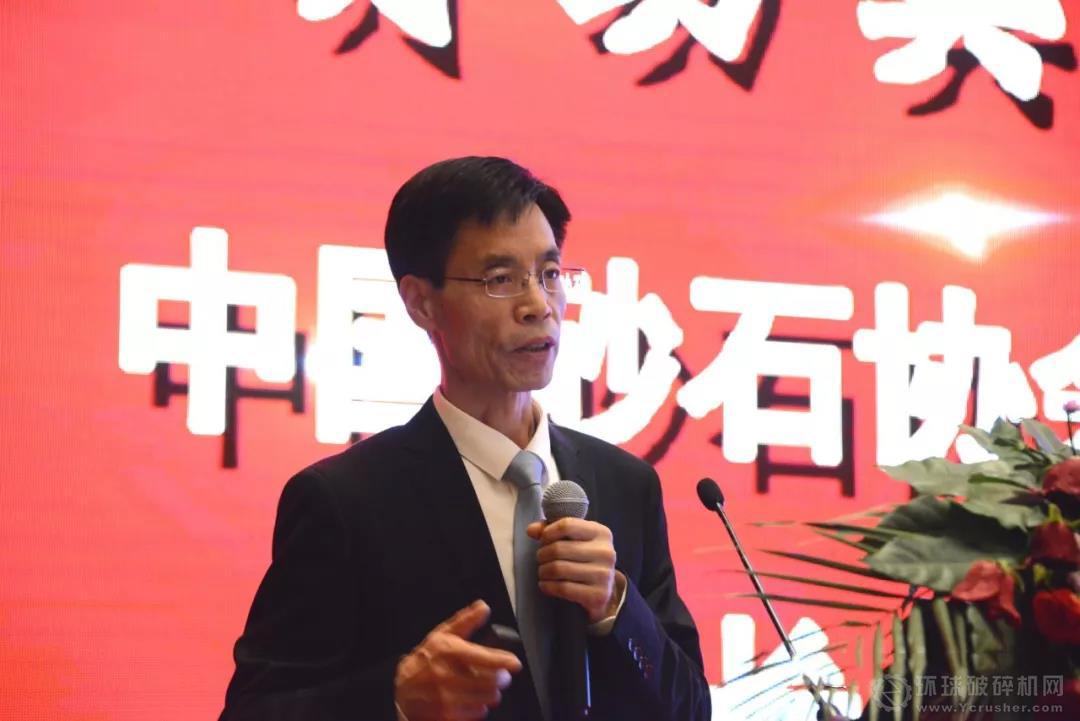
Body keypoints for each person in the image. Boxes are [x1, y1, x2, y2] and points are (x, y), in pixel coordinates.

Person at [219, 156, 711, 721]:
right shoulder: (345, 500)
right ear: (421, 302)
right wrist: (397, 699)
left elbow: (692, 709)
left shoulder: (625, 485)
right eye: (500, 280)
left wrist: (616, 609)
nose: (538, 306)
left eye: (550, 274)